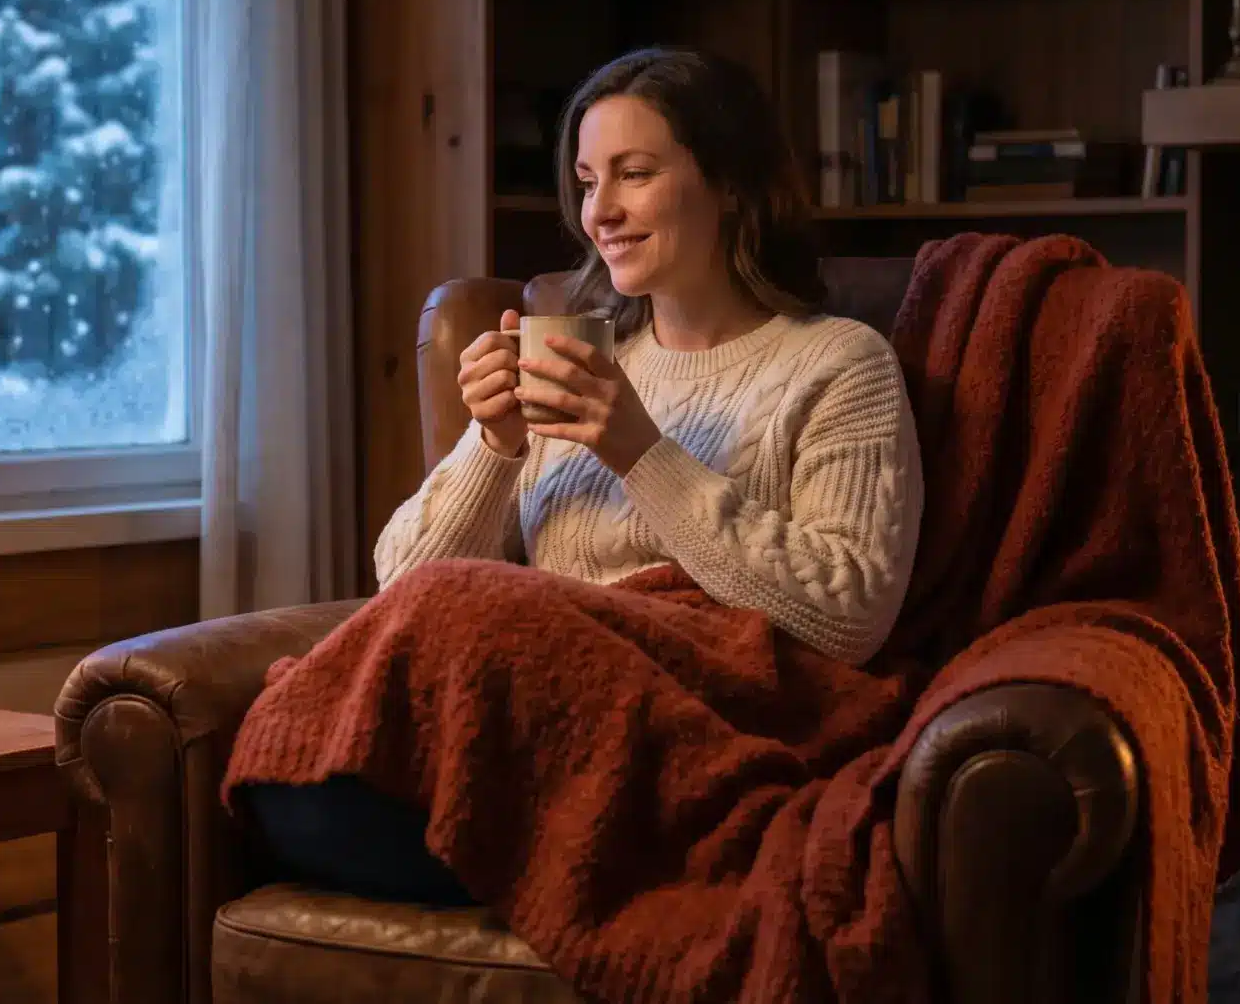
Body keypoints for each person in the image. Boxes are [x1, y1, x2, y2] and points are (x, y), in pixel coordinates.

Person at [239, 45, 925, 906]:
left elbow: (847, 614)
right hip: (541, 737)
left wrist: (639, 448)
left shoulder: (837, 363)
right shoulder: (578, 353)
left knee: (423, 667)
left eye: (634, 174)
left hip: (689, 730)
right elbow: (403, 589)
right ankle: (571, 865)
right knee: (292, 775)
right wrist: (495, 445)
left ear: (732, 184)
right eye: (588, 180)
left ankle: (581, 854)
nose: (602, 210)